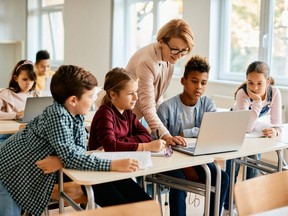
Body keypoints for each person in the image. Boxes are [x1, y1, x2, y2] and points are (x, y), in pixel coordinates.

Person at [0, 65, 146, 216]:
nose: (94, 99)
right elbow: (73, 156)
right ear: (73, 100)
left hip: (24, 170)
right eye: (90, 96)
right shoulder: (57, 115)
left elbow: (78, 151)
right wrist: (113, 164)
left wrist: (62, 160)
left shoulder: (76, 115)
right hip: (8, 170)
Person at [157, 55, 229, 216]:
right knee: (179, 182)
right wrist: (185, 163)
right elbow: (159, 141)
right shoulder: (166, 108)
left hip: (198, 157)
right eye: (194, 81)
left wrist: (186, 133)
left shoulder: (207, 103)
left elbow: (212, 129)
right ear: (183, 81)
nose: (199, 87)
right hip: (172, 161)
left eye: (203, 83)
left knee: (222, 178)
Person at [223, 61, 283, 215]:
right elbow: (245, 127)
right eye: (250, 82)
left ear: (268, 82)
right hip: (235, 127)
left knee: (253, 166)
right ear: (246, 79)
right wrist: (257, 101)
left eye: (259, 83)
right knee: (232, 169)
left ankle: (250, 208)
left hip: (253, 128)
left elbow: (277, 123)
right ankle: (228, 208)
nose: (254, 87)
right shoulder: (242, 93)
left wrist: (275, 131)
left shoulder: (274, 92)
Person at [125, 18, 194, 146]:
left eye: (184, 51)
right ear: (161, 41)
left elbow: (157, 96)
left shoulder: (169, 57)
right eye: (175, 49)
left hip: (135, 116)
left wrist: (165, 130)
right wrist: (166, 135)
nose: (179, 55)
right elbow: (148, 107)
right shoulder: (147, 62)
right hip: (120, 117)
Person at [89, 67, 166, 152]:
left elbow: (147, 136)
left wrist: (120, 142)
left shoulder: (127, 112)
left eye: (136, 91)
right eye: (130, 93)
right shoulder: (105, 114)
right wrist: (145, 147)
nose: (136, 97)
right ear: (113, 95)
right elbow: (110, 146)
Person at [0, 60, 39, 143]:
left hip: (29, 134)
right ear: (16, 78)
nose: (28, 83)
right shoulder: (6, 94)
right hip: (10, 135)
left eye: (32, 79)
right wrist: (16, 114)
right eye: (25, 79)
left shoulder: (36, 94)